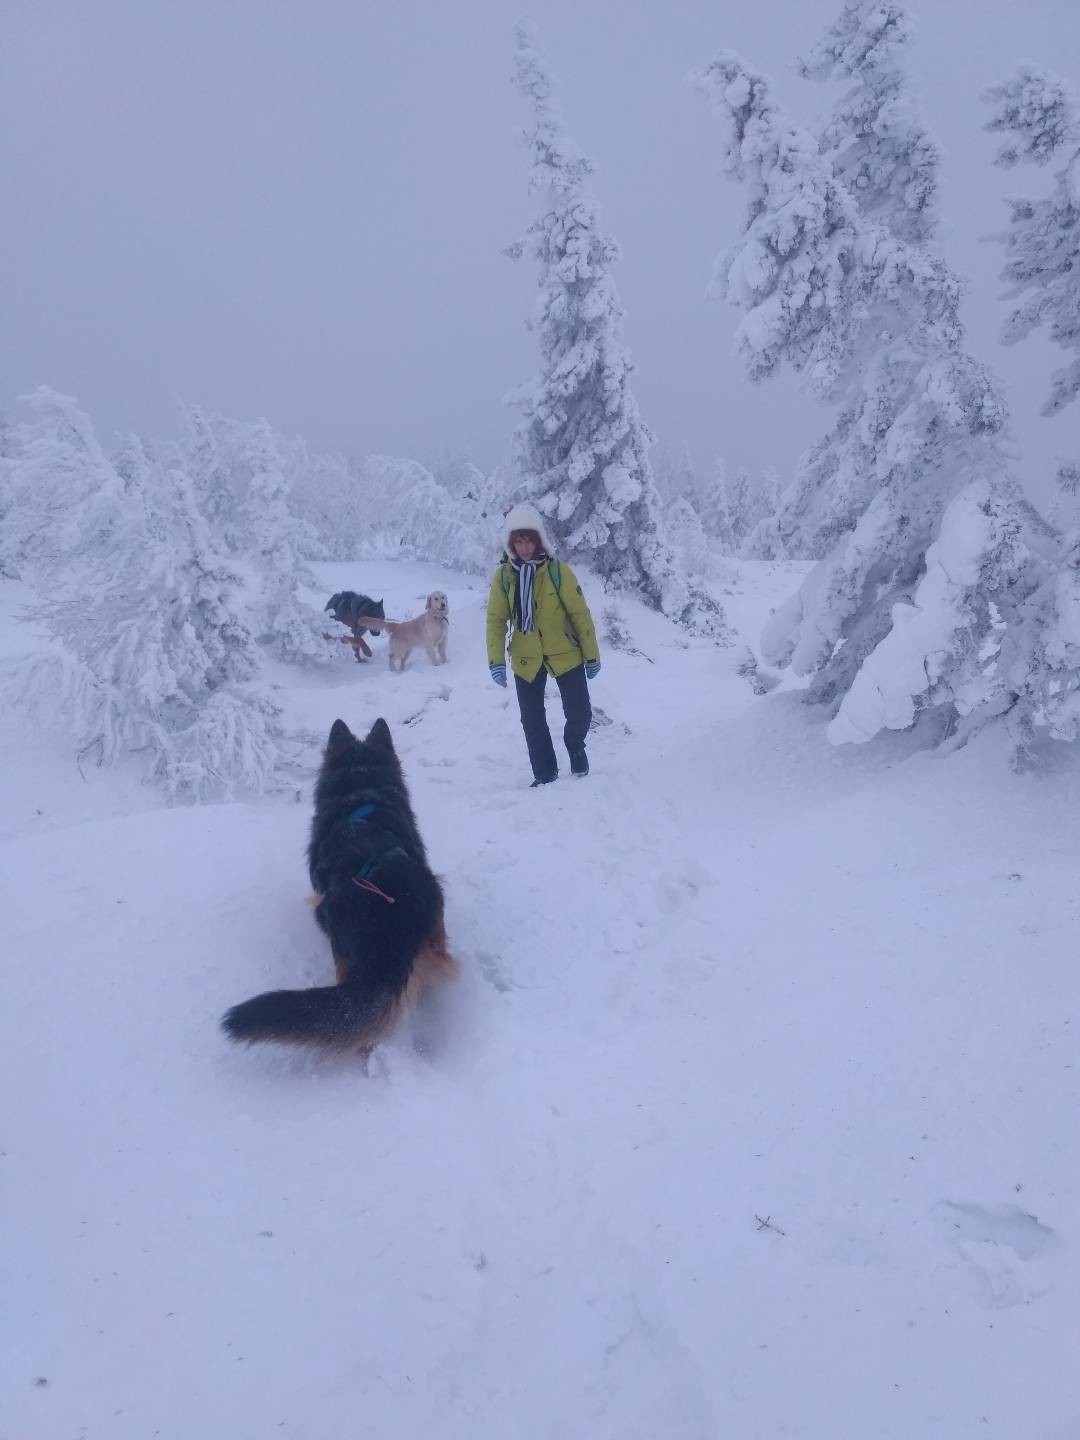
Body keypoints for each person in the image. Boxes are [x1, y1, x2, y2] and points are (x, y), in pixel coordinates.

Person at [486, 504, 601, 786]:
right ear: (511, 543)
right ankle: (545, 773)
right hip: (525, 656)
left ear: (538, 540)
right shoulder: (504, 577)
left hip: (565, 652)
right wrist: (496, 661)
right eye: (518, 541)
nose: (524, 547)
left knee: (580, 712)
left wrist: (591, 655)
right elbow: (496, 620)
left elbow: (579, 613)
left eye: (529, 540)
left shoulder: (558, 572)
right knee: (532, 719)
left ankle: (575, 745)